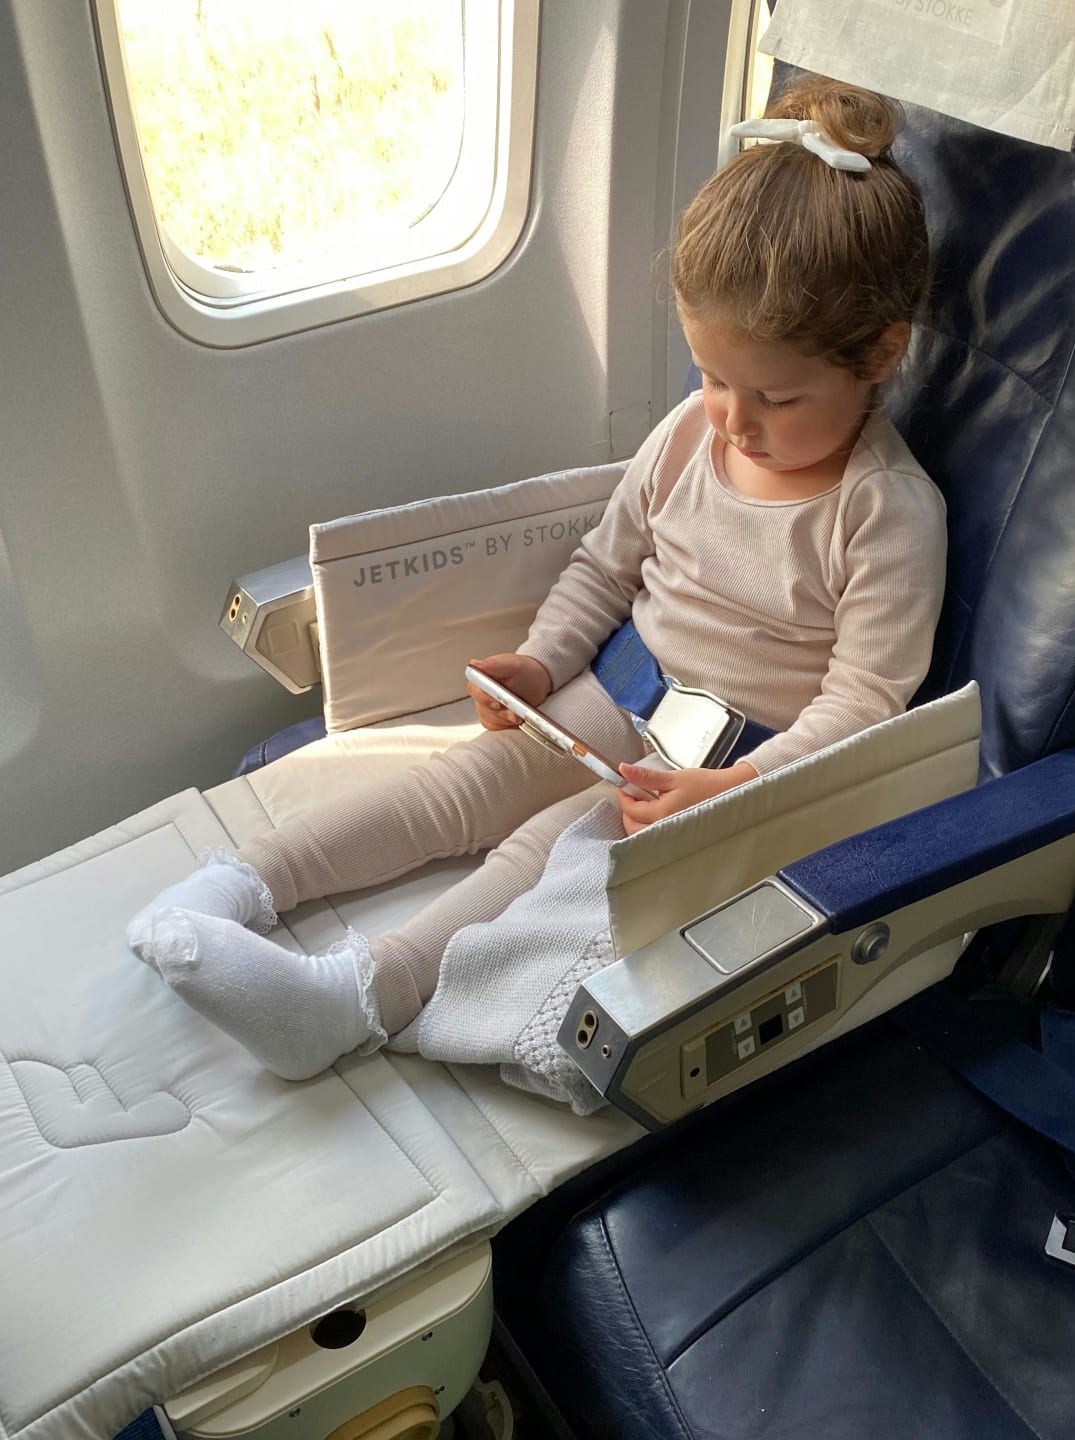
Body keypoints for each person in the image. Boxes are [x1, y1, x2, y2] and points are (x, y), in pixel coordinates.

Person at [124, 78, 949, 1082]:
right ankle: (237, 887)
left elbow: (865, 703)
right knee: (456, 792)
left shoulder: (884, 512)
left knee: (541, 855)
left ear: (880, 355)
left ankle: (353, 999)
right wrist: (540, 658)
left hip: (721, 761)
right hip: (611, 693)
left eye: (775, 396)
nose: (734, 418)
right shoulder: (690, 437)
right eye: (713, 377)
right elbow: (607, 564)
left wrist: (733, 791)